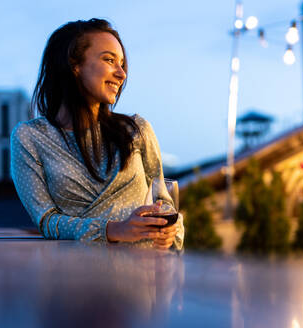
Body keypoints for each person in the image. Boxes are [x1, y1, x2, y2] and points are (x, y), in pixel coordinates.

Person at [10, 18, 183, 250]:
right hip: (76, 276)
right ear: (74, 64)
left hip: (142, 273)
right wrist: (114, 230)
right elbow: (46, 221)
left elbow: (165, 204)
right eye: (109, 60)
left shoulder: (136, 130)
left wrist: (169, 232)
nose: (121, 74)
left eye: (122, 64)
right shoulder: (30, 138)